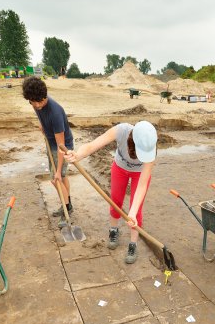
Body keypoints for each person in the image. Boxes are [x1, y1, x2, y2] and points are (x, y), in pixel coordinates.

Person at [64, 121, 157, 264]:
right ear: (132, 141)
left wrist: (131, 212)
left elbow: (142, 184)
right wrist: (77, 155)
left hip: (139, 174)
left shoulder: (151, 147)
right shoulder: (121, 130)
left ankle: (133, 244)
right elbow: (92, 145)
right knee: (115, 201)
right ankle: (114, 230)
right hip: (120, 168)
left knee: (136, 210)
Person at [22, 77, 74, 220]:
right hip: (51, 143)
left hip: (62, 147)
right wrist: (42, 124)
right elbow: (39, 112)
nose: (38, 105)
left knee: (56, 179)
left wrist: (57, 171)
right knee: (62, 178)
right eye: (34, 102)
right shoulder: (36, 101)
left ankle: (66, 209)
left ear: (45, 96)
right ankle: (68, 205)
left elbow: (61, 146)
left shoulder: (55, 113)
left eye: (41, 101)